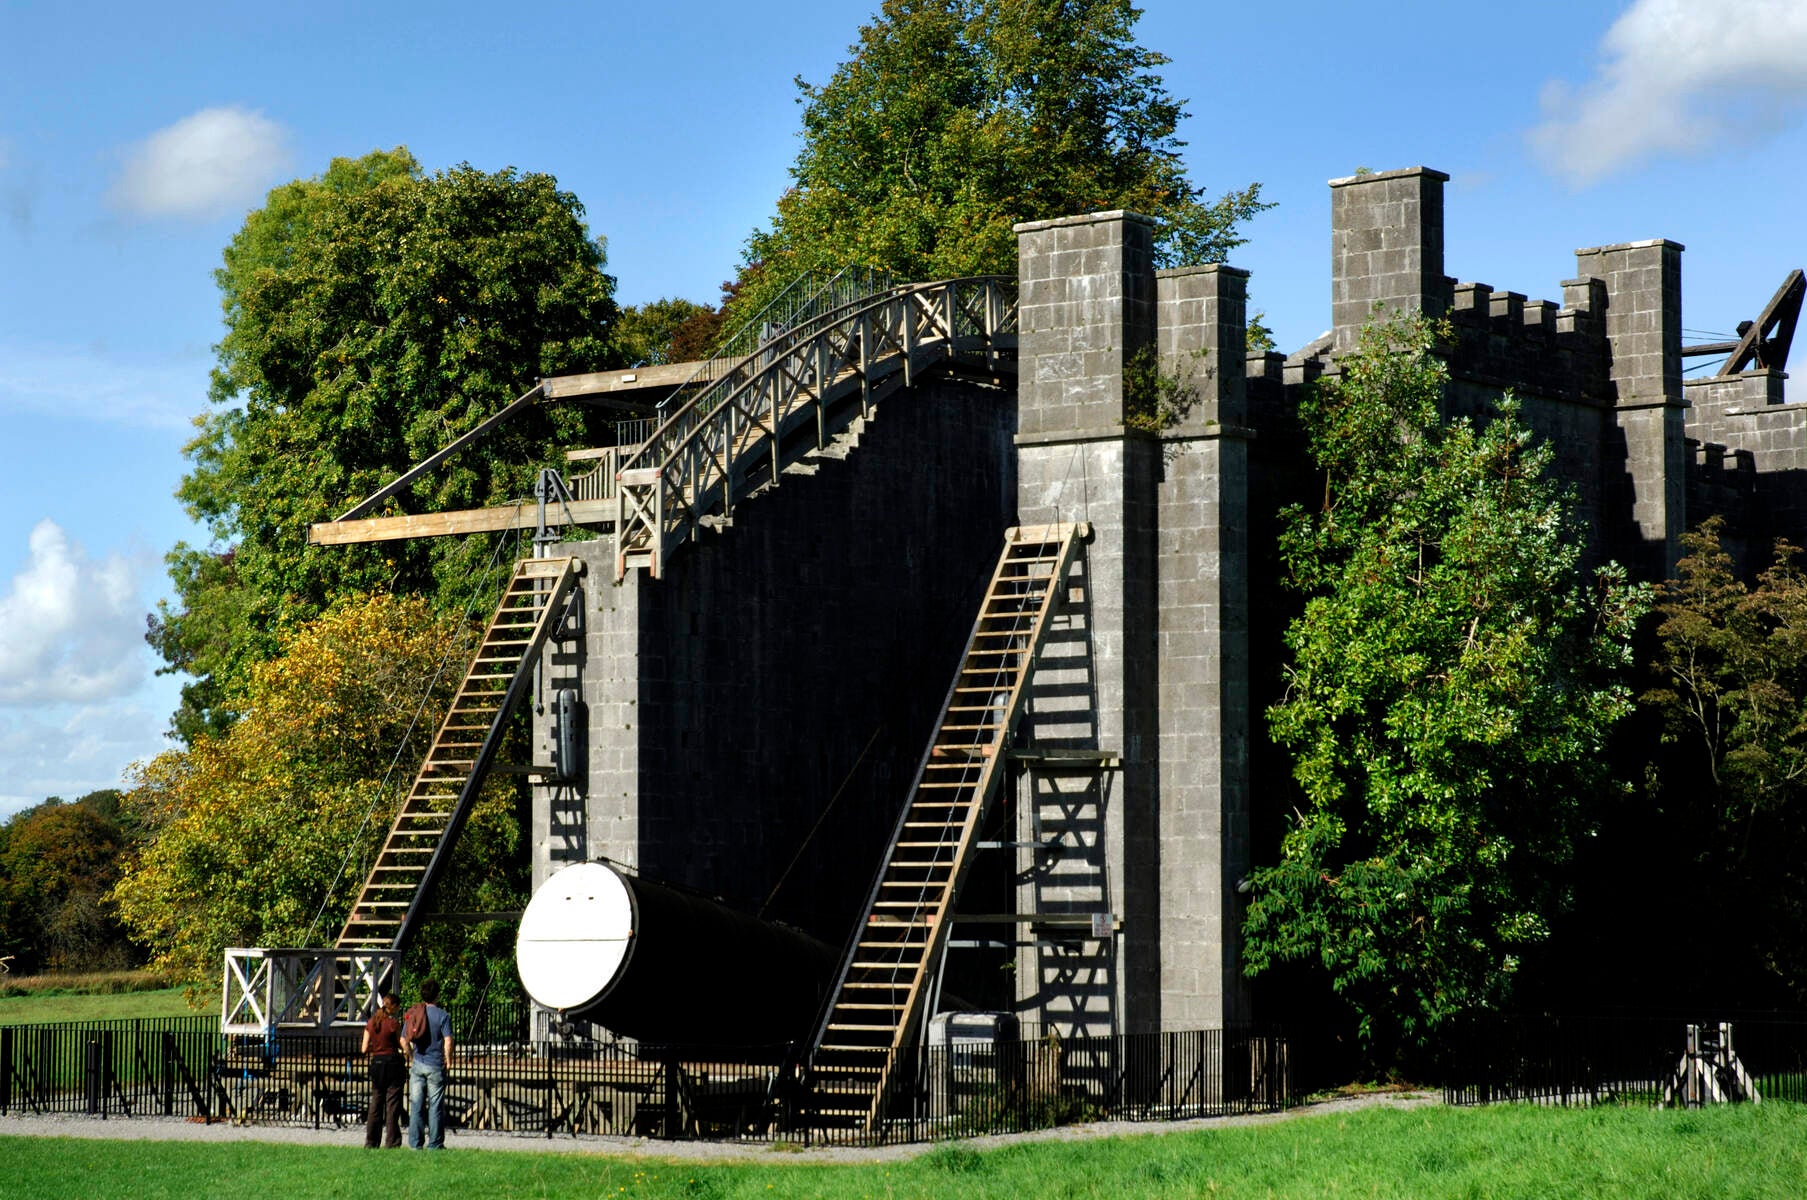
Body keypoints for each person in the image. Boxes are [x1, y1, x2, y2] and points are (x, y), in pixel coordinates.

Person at [404, 978, 454, 1150]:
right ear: (437, 995)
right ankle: (435, 1143)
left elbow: (404, 1040)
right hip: (434, 1064)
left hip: (418, 1062)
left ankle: (415, 1143)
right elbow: (448, 1041)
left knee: (416, 1104)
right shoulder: (443, 1016)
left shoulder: (414, 1013)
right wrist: (448, 1059)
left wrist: (410, 1055)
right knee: (435, 1106)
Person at [360, 988, 405, 1148]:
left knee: (376, 1103)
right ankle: (392, 1141)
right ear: (393, 1007)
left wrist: (377, 1048)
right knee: (392, 1105)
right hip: (392, 1063)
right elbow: (402, 1043)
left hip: (377, 1063)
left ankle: (371, 1141)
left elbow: (364, 1048)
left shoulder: (371, 1023)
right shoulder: (393, 1023)